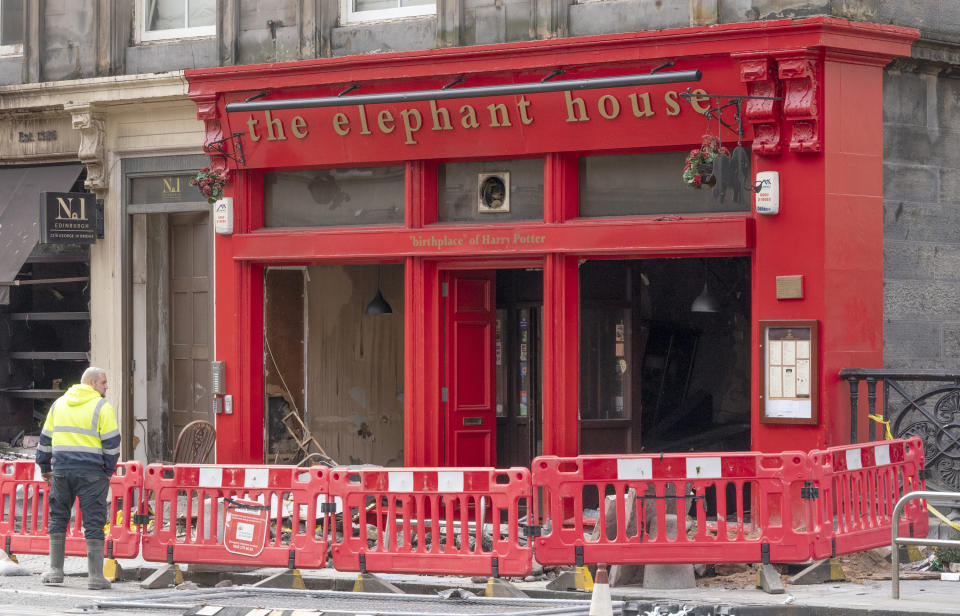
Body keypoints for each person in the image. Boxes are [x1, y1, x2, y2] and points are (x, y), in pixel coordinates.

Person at [35, 366, 119, 589]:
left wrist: (44, 465)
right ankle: (95, 577)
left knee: (58, 517)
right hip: (92, 473)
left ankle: (55, 571)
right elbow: (112, 444)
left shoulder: (59, 404)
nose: (106, 386)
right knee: (94, 521)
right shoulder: (102, 407)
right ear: (91, 383)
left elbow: (45, 438)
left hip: (62, 470)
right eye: (103, 382)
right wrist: (107, 471)